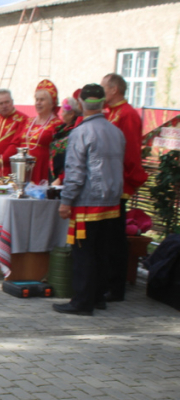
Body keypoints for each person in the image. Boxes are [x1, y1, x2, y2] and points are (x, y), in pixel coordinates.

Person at [54, 84, 125, 316]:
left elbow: (75, 173)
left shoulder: (80, 132)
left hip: (87, 203)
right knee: (101, 251)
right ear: (104, 103)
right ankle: (97, 297)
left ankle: (82, 301)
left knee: (83, 253)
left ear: (82, 104)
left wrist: (66, 201)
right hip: (111, 202)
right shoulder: (116, 131)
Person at [101, 73, 149, 303]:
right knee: (107, 237)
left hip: (119, 184)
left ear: (114, 90)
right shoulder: (110, 112)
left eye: (103, 87)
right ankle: (106, 281)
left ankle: (116, 287)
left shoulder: (128, 114)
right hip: (107, 183)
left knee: (115, 239)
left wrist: (128, 183)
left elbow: (130, 151)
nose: (101, 92)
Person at [19, 80, 64, 184]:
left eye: (42, 100)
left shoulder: (57, 124)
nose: (38, 103)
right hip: (22, 167)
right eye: (37, 99)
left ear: (52, 103)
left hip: (42, 168)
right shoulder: (28, 121)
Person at [0, 88, 29, 177]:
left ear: (12, 102)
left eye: (7, 102)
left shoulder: (22, 119)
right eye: (0, 103)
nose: (4, 106)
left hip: (12, 170)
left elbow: (15, 145)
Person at [49, 96, 82, 184]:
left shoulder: (75, 130)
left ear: (71, 114)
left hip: (67, 178)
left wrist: (60, 178)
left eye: (63, 111)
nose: (61, 114)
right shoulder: (61, 129)